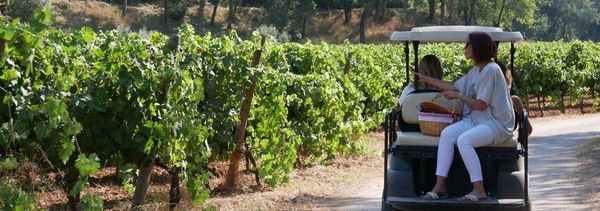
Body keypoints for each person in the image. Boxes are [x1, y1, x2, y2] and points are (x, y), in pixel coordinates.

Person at [414, 32, 515, 202]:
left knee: (464, 140)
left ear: (477, 48)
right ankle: (440, 187)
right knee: (447, 135)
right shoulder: (476, 70)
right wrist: (427, 79)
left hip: (496, 124)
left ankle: (479, 189)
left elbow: (480, 104)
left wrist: (458, 96)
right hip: (478, 120)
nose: (464, 48)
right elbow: (454, 85)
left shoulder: (491, 70)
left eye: (467, 45)